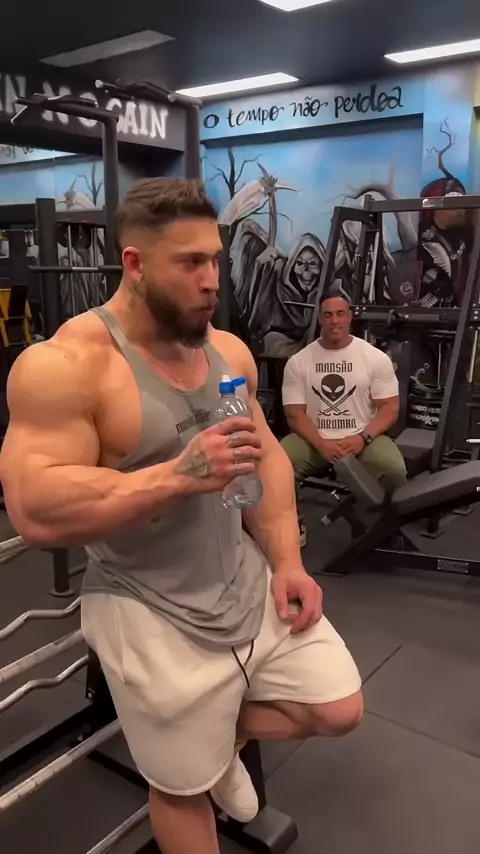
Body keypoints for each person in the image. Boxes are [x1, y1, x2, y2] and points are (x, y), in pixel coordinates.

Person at [0, 179, 362, 854]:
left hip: (240, 579)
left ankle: (214, 743)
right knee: (180, 791)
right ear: (134, 263)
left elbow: (265, 460)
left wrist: (287, 560)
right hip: (146, 603)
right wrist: (176, 475)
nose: (211, 280)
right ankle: (193, 765)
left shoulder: (227, 352)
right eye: (190, 262)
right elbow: (33, 506)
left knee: (338, 707)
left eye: (215, 260)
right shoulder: (66, 366)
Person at [282, 292, 407, 546]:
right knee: (277, 465)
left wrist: (363, 437)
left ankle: (378, 524)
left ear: (349, 317)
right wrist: (321, 443)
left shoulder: (374, 358)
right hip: (314, 439)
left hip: (363, 437)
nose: (334, 321)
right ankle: (293, 521)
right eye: (328, 315)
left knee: (394, 471)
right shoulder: (299, 362)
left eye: (340, 314)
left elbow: (389, 408)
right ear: (320, 319)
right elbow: (294, 414)